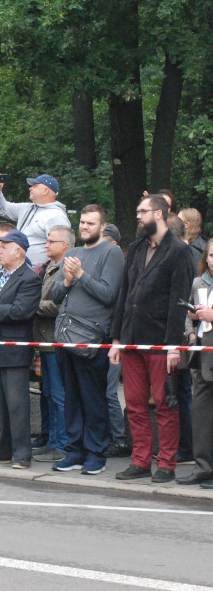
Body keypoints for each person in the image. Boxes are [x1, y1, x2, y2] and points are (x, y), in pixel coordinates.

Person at [110, 194, 192, 483]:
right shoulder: (135, 248)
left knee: (165, 403)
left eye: (142, 211)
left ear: (158, 213)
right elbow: (125, 294)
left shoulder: (179, 251)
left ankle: (167, 464)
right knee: (134, 403)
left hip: (160, 341)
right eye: (137, 211)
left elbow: (179, 301)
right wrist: (117, 339)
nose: (138, 216)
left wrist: (173, 346)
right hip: (131, 338)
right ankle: (141, 460)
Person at [47, 205, 125, 475]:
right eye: (82, 222)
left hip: (93, 338)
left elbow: (109, 295)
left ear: (103, 227)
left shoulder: (112, 253)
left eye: (91, 223)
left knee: (93, 398)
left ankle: (96, 453)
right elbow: (55, 296)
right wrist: (68, 280)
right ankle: (74, 450)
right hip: (66, 336)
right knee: (71, 398)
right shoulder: (73, 252)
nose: (84, 227)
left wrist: (80, 275)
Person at [0, 229, 43, 469]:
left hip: (13, 352)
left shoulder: (30, 278)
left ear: (18, 250)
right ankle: (0, 448)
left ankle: (22, 454)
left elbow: (21, 310)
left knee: (17, 404)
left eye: (4, 246)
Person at [31, 226, 74, 463]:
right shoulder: (49, 268)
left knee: (58, 395)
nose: (46, 245)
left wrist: (32, 306)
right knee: (48, 393)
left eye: (51, 241)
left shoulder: (66, 269)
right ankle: (51, 440)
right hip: (45, 340)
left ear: (65, 245)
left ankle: (62, 444)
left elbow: (59, 305)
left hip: (56, 340)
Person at [181, 239, 213, 487]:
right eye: (211, 255)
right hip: (202, 355)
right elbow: (189, 318)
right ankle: (203, 467)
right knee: (201, 415)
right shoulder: (199, 282)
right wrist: (192, 329)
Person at [0, 173, 71, 266]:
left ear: (45, 191)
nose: (30, 188)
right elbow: (2, 208)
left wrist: (49, 274)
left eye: (35, 185)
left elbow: (62, 249)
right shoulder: (26, 208)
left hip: (39, 274)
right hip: (20, 270)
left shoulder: (56, 216)